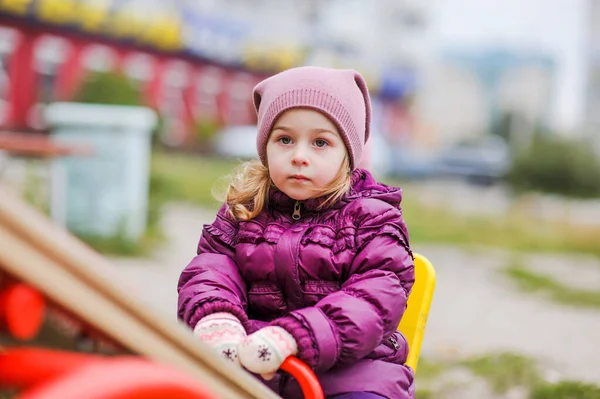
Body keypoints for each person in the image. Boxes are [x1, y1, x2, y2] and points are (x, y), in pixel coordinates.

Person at [177, 66, 415, 399]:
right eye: (285, 139)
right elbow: (211, 271)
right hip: (254, 362)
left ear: (348, 154)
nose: (299, 156)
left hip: (350, 371)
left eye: (320, 142)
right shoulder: (245, 210)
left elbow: (373, 300)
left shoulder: (373, 221)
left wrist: (298, 335)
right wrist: (217, 316)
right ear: (265, 146)